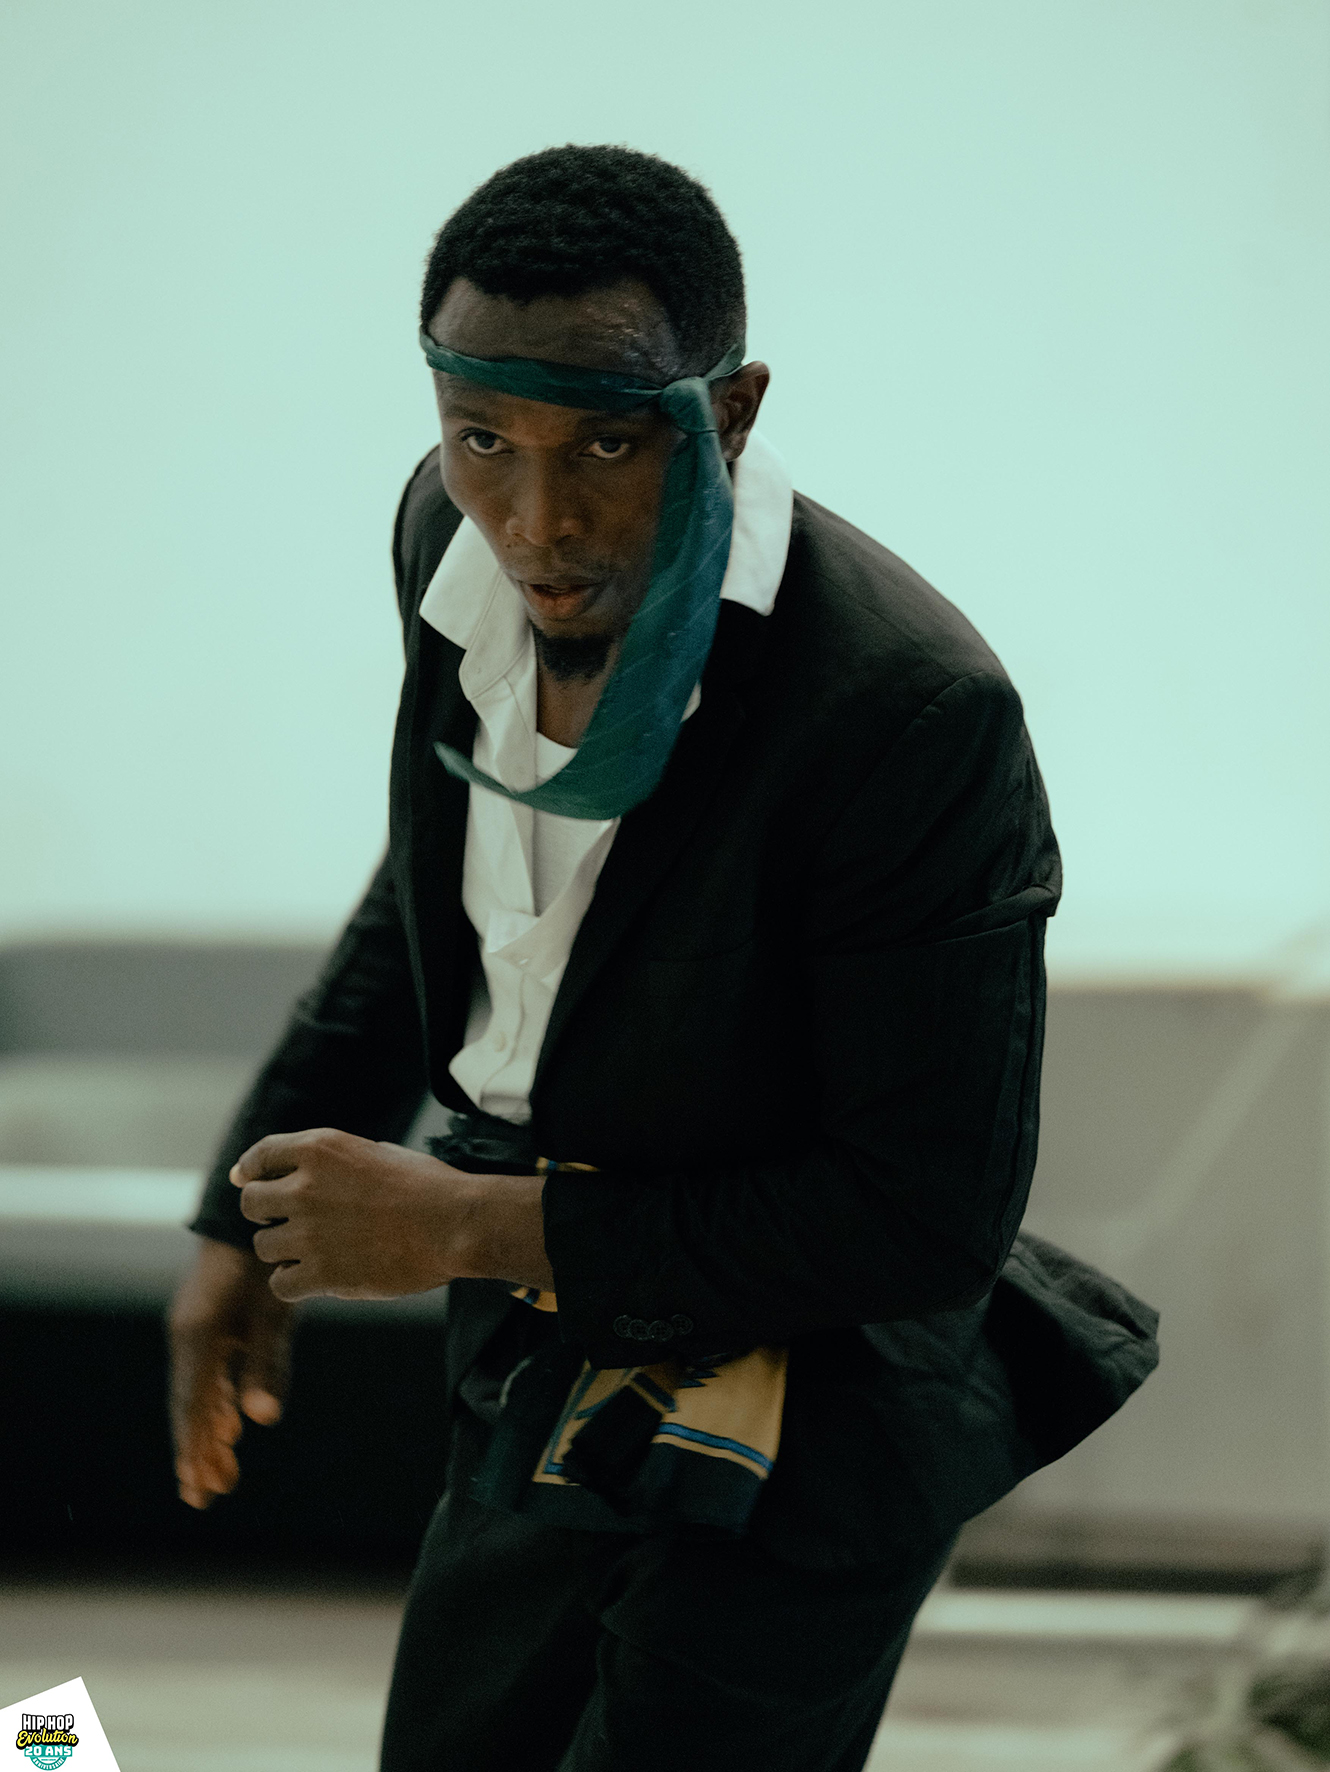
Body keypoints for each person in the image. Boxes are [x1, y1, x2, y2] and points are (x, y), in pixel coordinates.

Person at [169, 145, 1157, 1772]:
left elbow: (923, 1218)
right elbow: (444, 891)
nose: (536, 522)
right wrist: (241, 1212)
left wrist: (456, 1226)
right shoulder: (442, 538)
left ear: (732, 412)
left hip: (814, 1418)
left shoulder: (906, 712)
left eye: (609, 446)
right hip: (543, 1354)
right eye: (482, 438)